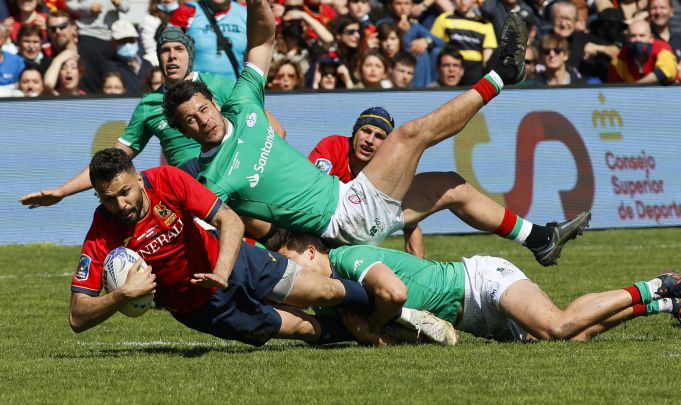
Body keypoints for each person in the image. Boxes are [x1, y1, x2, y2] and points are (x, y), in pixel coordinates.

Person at [164, 11, 591, 267]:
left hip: (354, 208)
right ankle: (501, 76)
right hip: (340, 221)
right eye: (190, 121)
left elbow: (263, 39)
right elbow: (212, 226)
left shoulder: (243, 103)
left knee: (449, 185)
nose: (201, 121)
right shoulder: (211, 176)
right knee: (411, 135)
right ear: (184, 131)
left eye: (203, 109)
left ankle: (540, 239)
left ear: (215, 104)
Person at [70, 148, 455, 346]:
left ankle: (405, 315)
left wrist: (222, 270)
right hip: (203, 309)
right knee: (308, 330)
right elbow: (77, 316)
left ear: (138, 178)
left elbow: (230, 220)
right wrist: (122, 294)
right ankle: (368, 332)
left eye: (124, 192)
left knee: (325, 289)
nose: (120, 204)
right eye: (108, 198)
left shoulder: (167, 179)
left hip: (236, 263)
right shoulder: (101, 231)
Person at [19, 27, 285, 241]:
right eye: (165, 50)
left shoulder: (219, 86)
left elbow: (275, 130)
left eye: (178, 49)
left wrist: (253, 168)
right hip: (188, 186)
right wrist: (62, 191)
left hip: (230, 171)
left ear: (189, 55)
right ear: (158, 58)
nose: (172, 56)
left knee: (266, 237)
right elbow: (115, 159)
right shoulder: (149, 104)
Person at [268, 229, 681, 346]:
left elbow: (394, 295)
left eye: (292, 265)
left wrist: (371, 330)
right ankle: (665, 305)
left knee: (557, 326)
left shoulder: (348, 257)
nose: (296, 280)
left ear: (310, 249)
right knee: (574, 336)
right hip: (474, 318)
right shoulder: (330, 297)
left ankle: (660, 282)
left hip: (479, 282)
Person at [309, 107, 426, 258]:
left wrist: (417, 269)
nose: (369, 140)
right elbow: (310, 194)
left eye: (379, 136)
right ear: (355, 132)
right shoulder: (332, 146)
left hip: (352, 245)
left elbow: (412, 225)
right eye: (366, 131)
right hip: (314, 231)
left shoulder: (389, 172)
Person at [169, 0, 248, 80]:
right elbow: (167, 49)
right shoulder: (187, 10)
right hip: (196, 88)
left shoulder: (246, 13)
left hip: (235, 87)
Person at [66, 0, 129, 93]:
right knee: (88, 79)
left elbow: (127, 7)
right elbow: (69, 4)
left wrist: (119, 3)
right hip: (88, 35)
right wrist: (88, 9)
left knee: (109, 81)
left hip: (110, 38)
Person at [430, 0, 497, 84]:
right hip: (452, 64)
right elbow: (434, 41)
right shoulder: (444, 18)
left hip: (474, 68)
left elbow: (487, 56)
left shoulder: (485, 24)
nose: (462, 2)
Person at [607, 19, 677, 84]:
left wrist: (637, 87)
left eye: (642, 36)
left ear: (651, 38)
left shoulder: (662, 48)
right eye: (633, 36)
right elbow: (614, 86)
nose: (637, 39)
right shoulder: (619, 59)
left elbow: (666, 71)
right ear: (627, 38)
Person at [649, 0, 681, 81]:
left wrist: (665, 69)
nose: (658, 12)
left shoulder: (680, 38)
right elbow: (648, 73)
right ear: (648, 11)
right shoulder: (646, 39)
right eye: (654, 8)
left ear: (671, 12)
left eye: (662, 8)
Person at [103, 20, 152, 97]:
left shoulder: (147, 64)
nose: (127, 44)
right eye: (122, 41)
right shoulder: (110, 67)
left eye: (131, 40)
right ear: (113, 42)